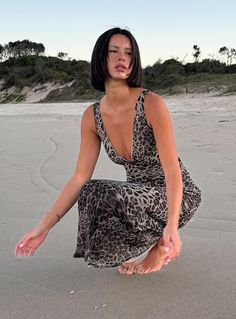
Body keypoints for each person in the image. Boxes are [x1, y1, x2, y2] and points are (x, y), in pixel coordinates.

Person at [14, 27, 201, 275]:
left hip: (177, 195)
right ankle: (153, 239)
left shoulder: (151, 103)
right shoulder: (92, 116)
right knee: (91, 191)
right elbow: (79, 178)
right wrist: (43, 228)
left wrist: (172, 226)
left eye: (129, 53)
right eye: (113, 51)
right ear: (100, 58)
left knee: (108, 192)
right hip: (137, 200)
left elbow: (171, 170)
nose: (122, 58)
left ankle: (160, 244)